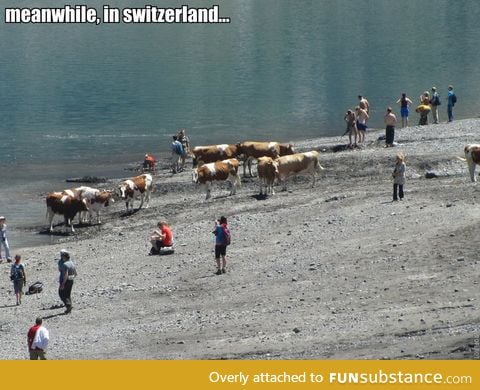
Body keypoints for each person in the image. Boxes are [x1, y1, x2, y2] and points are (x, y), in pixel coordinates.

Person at [58, 249, 77, 314]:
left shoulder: (65, 264)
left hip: (66, 281)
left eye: (62, 257)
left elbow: (65, 275)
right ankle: (69, 308)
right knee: (68, 294)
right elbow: (76, 273)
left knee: (61, 293)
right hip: (71, 280)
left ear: (64, 257)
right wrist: (71, 278)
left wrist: (63, 283)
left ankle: (68, 306)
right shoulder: (72, 263)